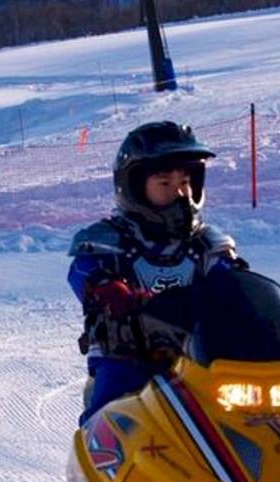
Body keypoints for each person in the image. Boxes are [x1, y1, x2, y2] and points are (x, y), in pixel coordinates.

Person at [68, 121, 245, 424]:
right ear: (134, 187)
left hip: (202, 361)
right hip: (129, 358)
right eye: (165, 184)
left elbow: (236, 282)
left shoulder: (207, 243)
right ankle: (100, 461)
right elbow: (83, 270)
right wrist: (106, 287)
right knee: (112, 420)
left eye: (186, 183)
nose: (179, 194)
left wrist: (256, 300)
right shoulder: (107, 239)